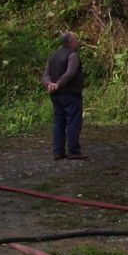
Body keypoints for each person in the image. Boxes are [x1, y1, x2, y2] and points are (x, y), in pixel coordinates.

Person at [42, 32, 86, 161]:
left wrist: (49, 84)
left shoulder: (53, 55)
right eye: (76, 40)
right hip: (70, 93)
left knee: (59, 122)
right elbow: (70, 73)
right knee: (73, 122)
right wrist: (58, 84)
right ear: (71, 42)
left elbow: (45, 74)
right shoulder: (72, 55)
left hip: (56, 94)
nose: (77, 42)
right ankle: (74, 151)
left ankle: (58, 151)